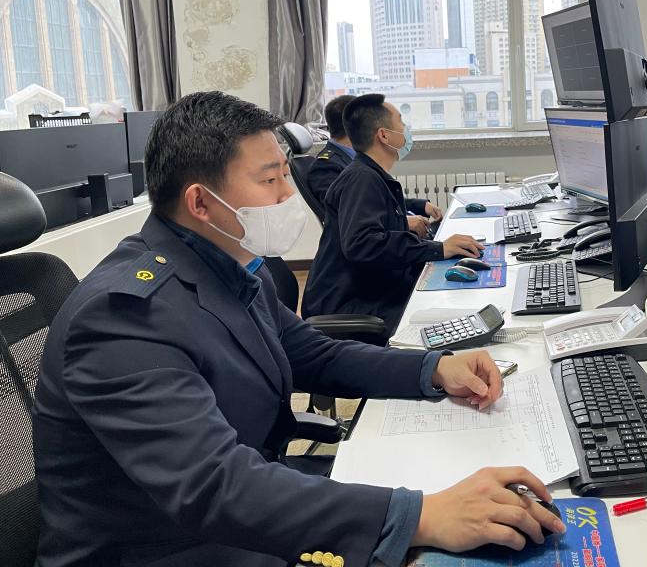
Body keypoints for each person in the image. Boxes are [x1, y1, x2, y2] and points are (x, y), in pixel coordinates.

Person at [32, 91, 563, 567]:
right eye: (270, 180)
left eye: (287, 174)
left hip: (242, 522)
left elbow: (314, 354)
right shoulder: (122, 318)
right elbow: (214, 486)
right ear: (200, 202)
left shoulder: (233, 265)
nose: (289, 194)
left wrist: (433, 369)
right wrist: (421, 516)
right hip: (177, 548)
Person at [302, 94, 482, 329]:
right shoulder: (362, 179)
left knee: (454, 296)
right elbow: (363, 245)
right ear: (384, 135)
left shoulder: (370, 174)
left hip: (371, 287)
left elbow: (385, 232)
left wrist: (438, 248)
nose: (405, 129)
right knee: (455, 317)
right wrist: (438, 249)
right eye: (401, 122)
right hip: (351, 303)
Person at [307, 96, 442, 230]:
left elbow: (381, 200)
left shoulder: (363, 158)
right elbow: (351, 217)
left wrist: (420, 205)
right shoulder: (326, 167)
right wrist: (403, 222)